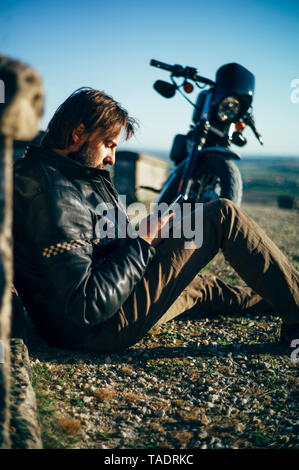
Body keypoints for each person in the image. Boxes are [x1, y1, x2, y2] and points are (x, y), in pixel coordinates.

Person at [13, 87, 299, 352]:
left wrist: (154, 232)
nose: (112, 158)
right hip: (98, 329)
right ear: (78, 134)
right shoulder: (51, 192)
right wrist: (143, 242)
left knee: (202, 286)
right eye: (109, 145)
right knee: (223, 215)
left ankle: (280, 294)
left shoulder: (69, 174)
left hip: (112, 304)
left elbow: (97, 245)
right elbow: (85, 306)